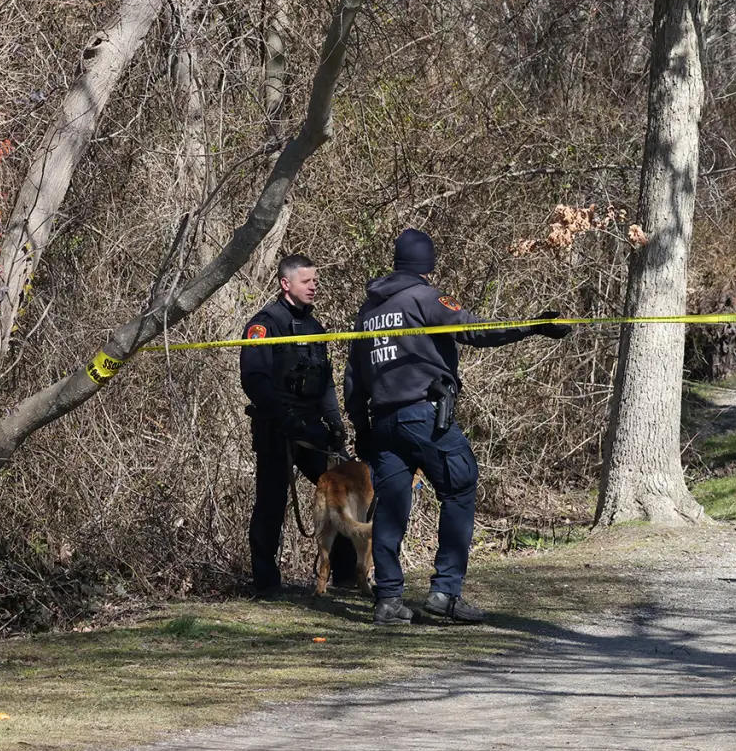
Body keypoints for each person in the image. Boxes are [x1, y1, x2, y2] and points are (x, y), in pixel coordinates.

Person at [345, 228, 568, 625]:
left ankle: (389, 599)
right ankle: (445, 593)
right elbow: (474, 330)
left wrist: (362, 430)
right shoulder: (425, 298)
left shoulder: (368, 313)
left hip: (383, 425)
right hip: (423, 417)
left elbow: (353, 380)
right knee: (460, 486)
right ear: (427, 264)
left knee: (391, 507)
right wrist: (533, 326)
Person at [241, 254, 355, 598]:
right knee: (271, 505)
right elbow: (254, 381)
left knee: (343, 492)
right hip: (277, 429)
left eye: (315, 280)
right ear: (285, 284)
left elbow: (326, 382)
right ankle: (266, 584)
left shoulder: (315, 328)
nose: (313, 286)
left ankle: (346, 576)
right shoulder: (264, 325)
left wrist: (334, 422)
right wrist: (287, 420)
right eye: (306, 281)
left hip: (312, 429)